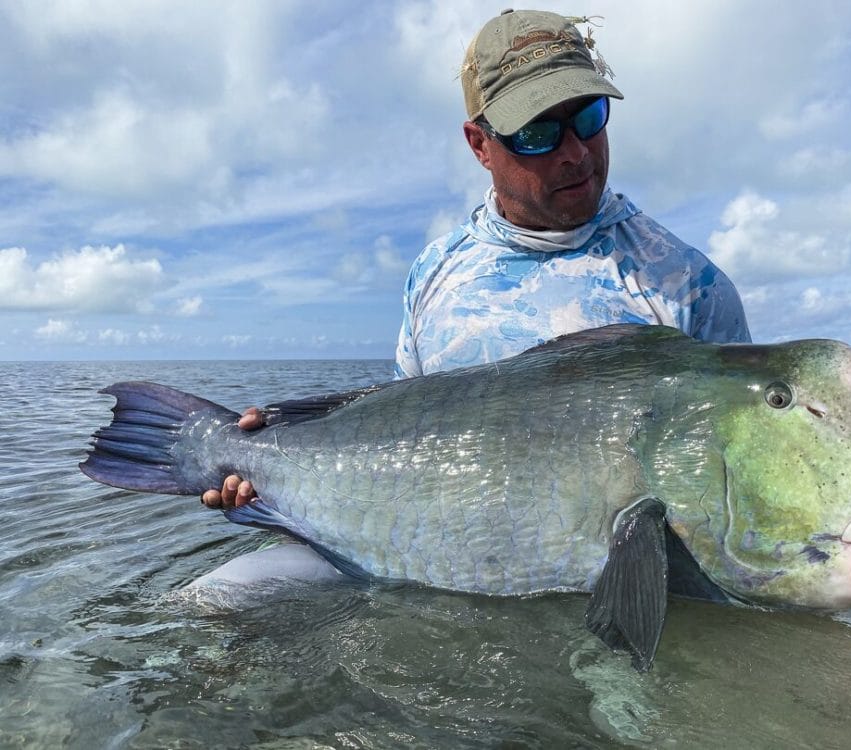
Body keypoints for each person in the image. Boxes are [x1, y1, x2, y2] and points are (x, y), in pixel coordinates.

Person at [202, 9, 750, 510]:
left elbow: (736, 484)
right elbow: (394, 424)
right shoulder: (434, 272)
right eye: (536, 132)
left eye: (588, 117)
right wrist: (273, 455)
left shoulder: (687, 285)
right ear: (479, 145)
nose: (575, 152)